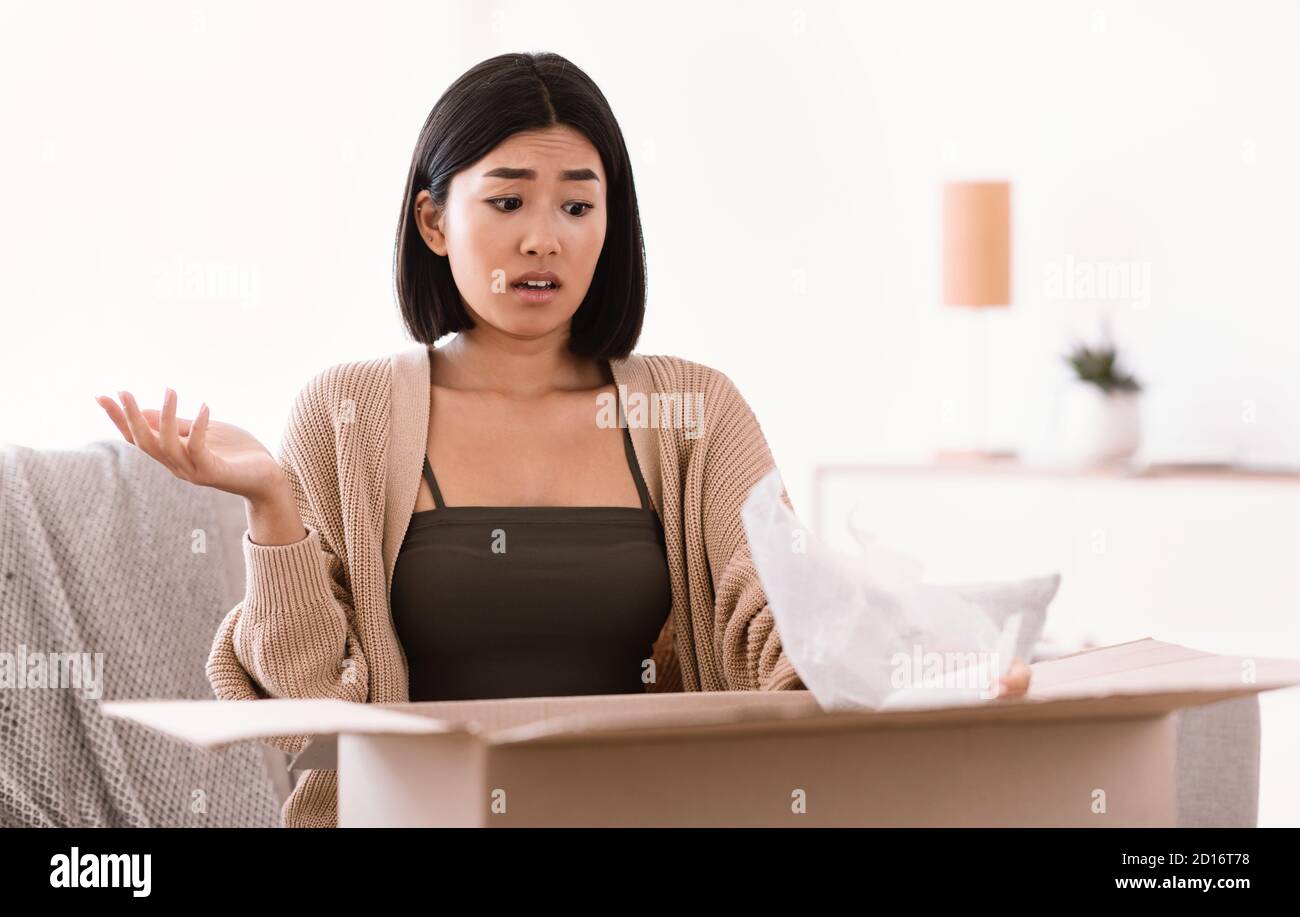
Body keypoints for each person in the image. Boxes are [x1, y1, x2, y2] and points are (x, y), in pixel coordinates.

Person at [95, 51, 1030, 827]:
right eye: (507, 202)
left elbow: (771, 620)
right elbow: (310, 718)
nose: (544, 238)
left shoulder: (695, 411)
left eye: (577, 206)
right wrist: (274, 509)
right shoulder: (346, 413)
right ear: (432, 219)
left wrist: (913, 674)